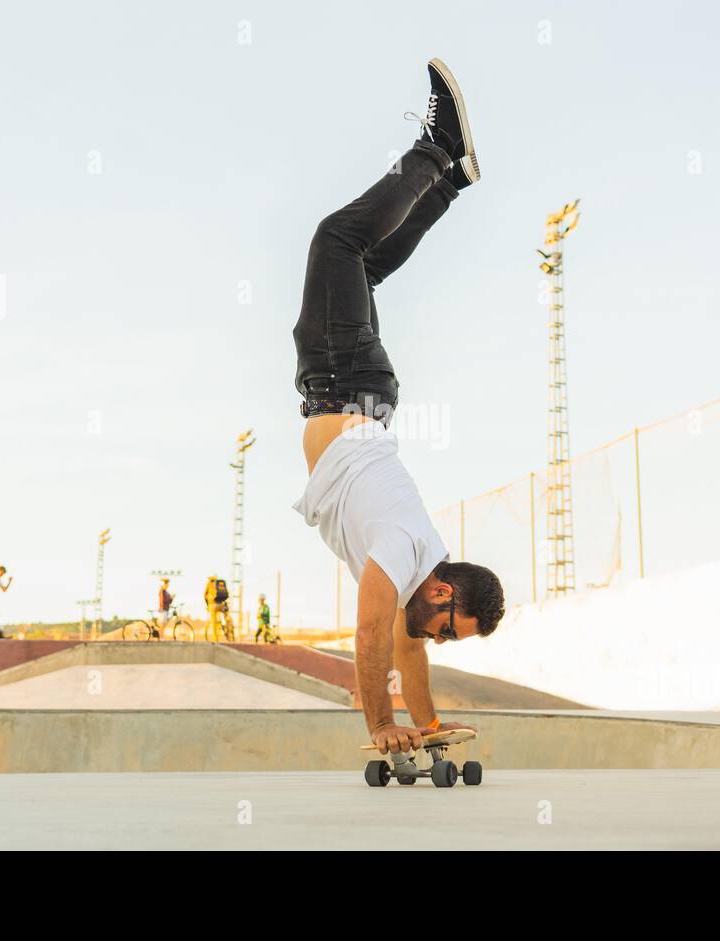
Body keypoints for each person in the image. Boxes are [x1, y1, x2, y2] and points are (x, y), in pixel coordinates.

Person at [291, 59, 505, 756]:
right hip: (343, 381)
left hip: (359, 392)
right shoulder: (402, 550)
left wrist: (431, 727)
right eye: (447, 627)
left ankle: (452, 186)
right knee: (338, 241)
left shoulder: (420, 570)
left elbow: (408, 653)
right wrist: (379, 725)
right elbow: (370, 637)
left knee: (363, 265)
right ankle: (439, 148)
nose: (435, 637)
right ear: (443, 591)